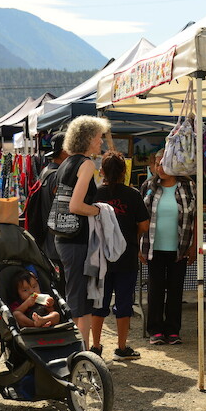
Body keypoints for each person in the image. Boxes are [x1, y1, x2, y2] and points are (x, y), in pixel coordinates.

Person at [54, 116, 110, 349]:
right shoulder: (86, 164)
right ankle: (82, 353)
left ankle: (79, 349)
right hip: (77, 239)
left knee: (75, 293)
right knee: (82, 299)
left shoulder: (66, 163)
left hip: (63, 237)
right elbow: (76, 206)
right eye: (99, 138)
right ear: (88, 138)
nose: (101, 143)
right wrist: (98, 211)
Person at [92, 151, 150, 360]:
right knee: (124, 303)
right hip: (126, 255)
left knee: (99, 302)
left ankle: (96, 347)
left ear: (102, 171)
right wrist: (131, 234)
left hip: (100, 257)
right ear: (124, 171)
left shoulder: (95, 194)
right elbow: (144, 224)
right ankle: (122, 347)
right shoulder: (133, 195)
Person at [139, 149, 196, 346]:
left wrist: (194, 246)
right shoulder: (148, 186)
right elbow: (139, 218)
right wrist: (138, 247)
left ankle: (173, 330)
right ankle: (155, 330)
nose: (159, 168)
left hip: (179, 248)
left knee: (175, 290)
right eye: (157, 164)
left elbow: (196, 218)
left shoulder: (188, 186)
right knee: (155, 290)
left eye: (163, 163)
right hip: (153, 247)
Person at [38, 133, 67, 270]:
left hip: (47, 239)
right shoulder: (58, 176)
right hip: (58, 242)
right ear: (64, 152)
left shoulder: (45, 171)